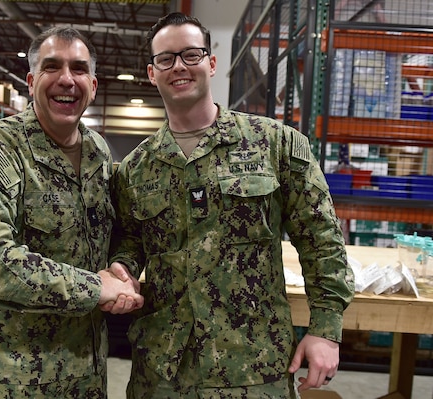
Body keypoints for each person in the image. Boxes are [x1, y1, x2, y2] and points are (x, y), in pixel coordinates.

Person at [109, 12, 355, 398]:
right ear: (152, 73)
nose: (179, 67)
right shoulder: (135, 169)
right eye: (166, 59)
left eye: (190, 55)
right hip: (163, 371)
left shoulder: (275, 145)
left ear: (210, 62)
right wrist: (122, 266)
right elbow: (130, 241)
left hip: (253, 367)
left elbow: (321, 240)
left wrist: (325, 328)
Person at [0, 26, 143, 398]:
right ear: (31, 80)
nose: (67, 80)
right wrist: (95, 286)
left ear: (94, 85)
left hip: (85, 376)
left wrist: (122, 265)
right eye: (52, 67)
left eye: (79, 69)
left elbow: (122, 227)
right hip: (10, 379)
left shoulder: (98, 152)